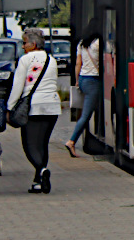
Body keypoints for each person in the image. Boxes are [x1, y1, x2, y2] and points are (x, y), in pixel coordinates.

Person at [9, 28, 60, 193]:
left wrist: (10, 107)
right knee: (43, 143)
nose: (23, 46)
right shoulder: (52, 60)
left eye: (24, 43)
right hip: (52, 106)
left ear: (33, 44)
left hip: (34, 106)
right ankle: (38, 180)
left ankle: (42, 170)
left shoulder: (25, 60)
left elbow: (18, 86)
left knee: (29, 144)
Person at [64, 19, 102, 158]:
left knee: (91, 110)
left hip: (83, 80)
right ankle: (72, 141)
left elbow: (78, 64)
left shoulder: (81, 43)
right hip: (94, 80)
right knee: (86, 115)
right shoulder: (98, 43)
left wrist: (77, 81)